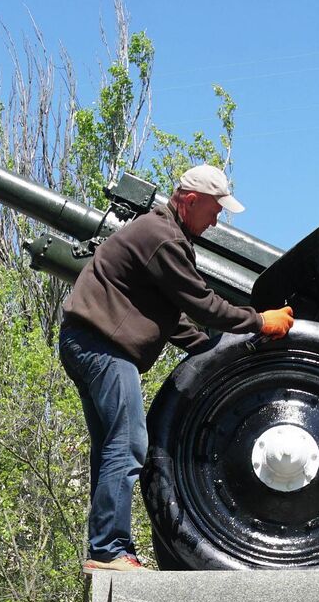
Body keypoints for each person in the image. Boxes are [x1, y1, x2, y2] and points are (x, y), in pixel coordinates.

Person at [58, 163, 295, 571]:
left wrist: (212, 354)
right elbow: (201, 304)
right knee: (130, 443)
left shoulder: (161, 235)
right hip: (103, 349)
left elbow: (174, 319)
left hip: (87, 345)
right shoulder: (162, 237)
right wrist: (260, 322)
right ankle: (110, 551)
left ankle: (107, 550)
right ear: (188, 200)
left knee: (111, 447)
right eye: (214, 208)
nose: (217, 218)